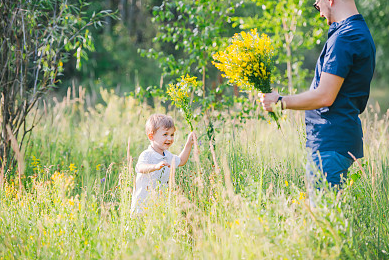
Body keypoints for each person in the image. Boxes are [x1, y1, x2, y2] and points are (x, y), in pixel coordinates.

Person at [261, 0, 376, 191]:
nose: (320, 13)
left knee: (323, 217)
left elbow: (325, 96)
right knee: (328, 216)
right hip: (336, 142)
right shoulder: (357, 32)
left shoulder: (346, 37)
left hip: (330, 146)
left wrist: (280, 102)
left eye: (317, 5)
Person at [131, 114, 195, 214]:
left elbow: (181, 161)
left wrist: (189, 144)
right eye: (165, 134)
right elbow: (140, 167)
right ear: (151, 136)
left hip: (159, 205)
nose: (169, 138)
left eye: (172, 134)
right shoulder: (147, 154)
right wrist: (155, 167)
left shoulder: (168, 156)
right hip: (142, 205)